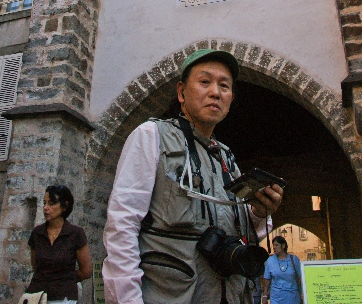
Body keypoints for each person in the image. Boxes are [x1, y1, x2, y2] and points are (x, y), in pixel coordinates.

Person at [103, 49, 284, 304]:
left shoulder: (226, 158)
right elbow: (122, 225)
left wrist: (259, 212)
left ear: (231, 98)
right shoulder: (151, 135)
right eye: (204, 81)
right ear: (181, 92)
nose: (215, 92)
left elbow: (242, 231)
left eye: (224, 86)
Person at [26, 185, 92, 303]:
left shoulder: (75, 233)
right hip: (37, 295)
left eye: (51, 204)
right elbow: (35, 265)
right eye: (44, 203)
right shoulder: (37, 233)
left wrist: (65, 280)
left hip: (64, 296)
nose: (45, 208)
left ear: (64, 206)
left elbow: (86, 271)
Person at [262, 236, 302, 304]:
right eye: (273, 245)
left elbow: (300, 277)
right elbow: (267, 280)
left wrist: (302, 293)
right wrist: (265, 295)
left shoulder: (294, 259)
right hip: (276, 298)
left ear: (283, 246)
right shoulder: (270, 260)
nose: (274, 247)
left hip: (292, 297)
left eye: (276, 245)